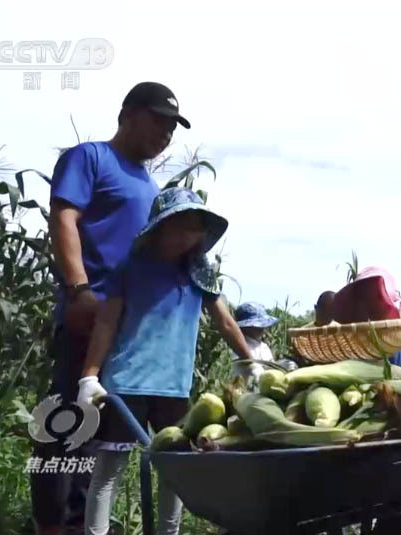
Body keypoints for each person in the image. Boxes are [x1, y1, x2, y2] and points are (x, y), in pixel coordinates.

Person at [32, 81, 191, 535]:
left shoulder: (150, 185)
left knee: (100, 440)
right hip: (89, 316)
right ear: (127, 114)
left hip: (127, 336)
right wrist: (79, 289)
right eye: (158, 122)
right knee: (64, 430)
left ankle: (83, 525)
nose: (165, 135)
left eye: (171, 128)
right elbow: (64, 218)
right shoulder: (91, 158)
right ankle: (50, 526)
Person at [75, 188, 255, 535]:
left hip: (174, 386)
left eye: (195, 228)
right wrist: (89, 376)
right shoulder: (130, 268)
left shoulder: (200, 274)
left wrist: (251, 362)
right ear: (161, 226)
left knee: (175, 471)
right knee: (110, 470)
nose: (189, 235)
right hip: (127, 382)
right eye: (182, 225)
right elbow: (106, 322)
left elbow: (225, 321)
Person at [229, 302, 280, 387]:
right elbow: (252, 369)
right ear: (245, 327)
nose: (262, 328)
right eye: (257, 326)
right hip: (246, 392)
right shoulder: (240, 347)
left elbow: (271, 367)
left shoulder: (263, 346)